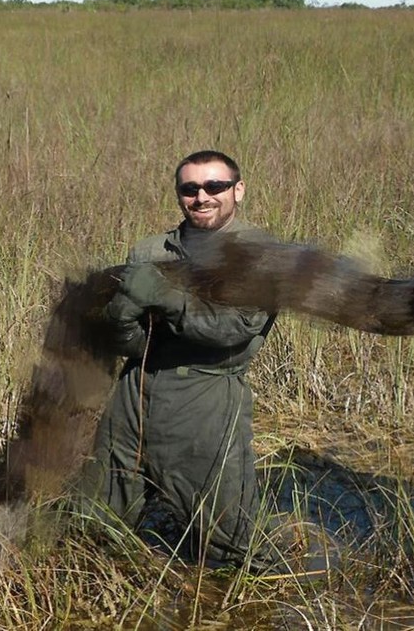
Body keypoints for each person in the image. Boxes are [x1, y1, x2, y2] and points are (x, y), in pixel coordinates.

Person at [86, 150, 279, 571]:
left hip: (205, 394)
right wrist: (118, 322)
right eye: (190, 189)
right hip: (133, 390)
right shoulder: (151, 249)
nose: (201, 197)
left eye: (214, 186)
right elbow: (129, 334)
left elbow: (230, 329)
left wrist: (163, 296)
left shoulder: (261, 255)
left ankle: (225, 600)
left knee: (228, 544)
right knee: (100, 516)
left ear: (238, 190)